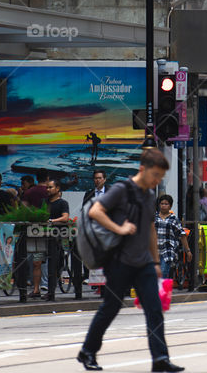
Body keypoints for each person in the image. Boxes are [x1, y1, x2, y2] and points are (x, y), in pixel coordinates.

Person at [77, 148, 185, 372]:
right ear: (142, 169)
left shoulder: (149, 195)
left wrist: (155, 263)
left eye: (160, 177)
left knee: (154, 308)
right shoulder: (121, 189)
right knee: (111, 307)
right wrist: (120, 228)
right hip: (119, 261)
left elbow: (151, 230)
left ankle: (160, 359)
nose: (157, 180)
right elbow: (95, 211)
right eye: (155, 175)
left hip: (143, 262)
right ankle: (87, 351)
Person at [155, 194, 191, 281]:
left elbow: (182, 235)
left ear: (170, 206)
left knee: (163, 272)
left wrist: (188, 251)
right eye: (162, 203)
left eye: (166, 204)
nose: (163, 206)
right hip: (154, 250)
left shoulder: (174, 219)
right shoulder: (154, 218)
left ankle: (161, 293)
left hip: (168, 250)